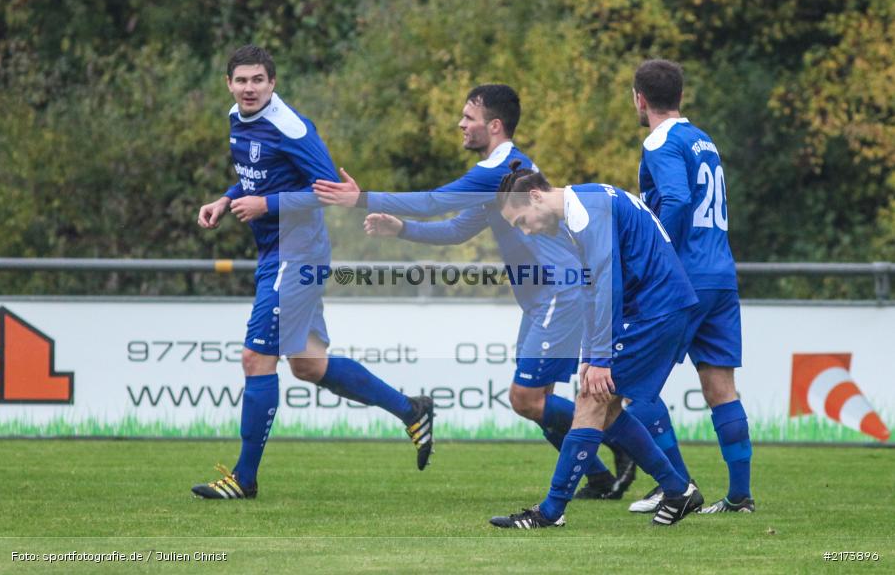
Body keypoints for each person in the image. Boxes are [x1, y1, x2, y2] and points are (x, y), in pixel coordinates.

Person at [313, 84, 635, 499]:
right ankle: (598, 476)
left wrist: (362, 199)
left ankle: (619, 439)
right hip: (545, 298)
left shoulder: (497, 170)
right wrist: (402, 229)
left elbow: (434, 202)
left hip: (560, 292)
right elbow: (456, 229)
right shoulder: (502, 174)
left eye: (469, 118)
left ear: (494, 126)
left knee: (525, 399)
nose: (461, 124)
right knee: (539, 402)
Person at [192, 44, 434, 499]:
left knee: (255, 358)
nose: (249, 88)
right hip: (276, 253)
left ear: (272, 83)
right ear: (229, 83)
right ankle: (411, 411)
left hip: (296, 253)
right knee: (308, 364)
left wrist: (268, 205)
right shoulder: (236, 118)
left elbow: (333, 192)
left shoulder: (291, 126)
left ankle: (243, 479)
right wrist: (226, 199)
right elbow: (257, 175)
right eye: (241, 80)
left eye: (257, 80)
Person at [489, 163, 703, 528]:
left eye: (522, 220)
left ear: (536, 197)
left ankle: (550, 512)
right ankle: (678, 489)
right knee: (607, 405)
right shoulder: (584, 206)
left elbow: (607, 283)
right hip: (655, 308)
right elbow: (593, 288)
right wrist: (591, 354)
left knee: (591, 401)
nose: (524, 230)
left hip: (656, 310)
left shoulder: (587, 212)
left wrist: (601, 357)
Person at [629, 59, 754, 514]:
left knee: (629, 388)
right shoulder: (703, 139)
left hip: (683, 278)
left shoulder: (659, 140)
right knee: (721, 385)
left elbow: (679, 200)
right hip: (721, 273)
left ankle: (676, 485)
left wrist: (656, 256)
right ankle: (739, 496)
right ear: (680, 95)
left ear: (639, 98)